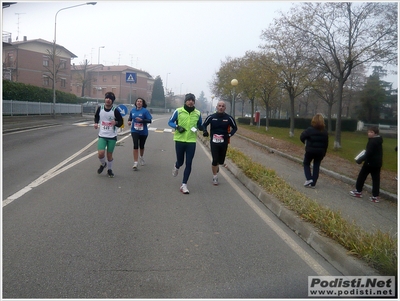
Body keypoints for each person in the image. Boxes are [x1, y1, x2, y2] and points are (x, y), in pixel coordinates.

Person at [168, 93, 203, 194]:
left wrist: (203, 129)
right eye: (189, 100)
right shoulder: (178, 111)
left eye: (192, 100)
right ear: (185, 101)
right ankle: (177, 166)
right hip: (179, 140)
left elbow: (200, 125)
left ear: (194, 102)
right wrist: (177, 127)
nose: (190, 101)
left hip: (191, 141)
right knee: (181, 161)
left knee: (189, 162)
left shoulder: (197, 113)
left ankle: (184, 184)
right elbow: (170, 122)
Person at [202, 100, 237, 185]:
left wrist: (229, 135)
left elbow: (235, 128)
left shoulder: (229, 118)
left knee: (221, 161)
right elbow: (204, 125)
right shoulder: (211, 117)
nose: (221, 107)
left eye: (222, 106)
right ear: (217, 107)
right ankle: (215, 177)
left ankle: (217, 165)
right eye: (219, 106)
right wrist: (205, 131)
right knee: (215, 159)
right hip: (214, 142)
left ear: (225, 108)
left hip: (223, 142)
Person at [94, 92, 124, 178]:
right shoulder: (100, 108)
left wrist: (116, 122)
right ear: (105, 99)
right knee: (100, 153)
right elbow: (96, 116)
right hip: (102, 135)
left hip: (112, 136)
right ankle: (103, 164)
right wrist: (96, 123)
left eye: (110, 99)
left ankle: (109, 170)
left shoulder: (115, 110)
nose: (108, 100)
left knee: (109, 155)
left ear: (112, 101)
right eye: (107, 98)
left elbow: (121, 122)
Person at [350, 126, 383, 203]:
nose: (369, 133)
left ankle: (358, 191)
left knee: (362, 176)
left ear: (375, 133)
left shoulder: (373, 142)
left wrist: (360, 159)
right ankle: (375, 196)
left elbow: (368, 153)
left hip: (370, 163)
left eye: (371, 132)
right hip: (377, 163)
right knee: (376, 179)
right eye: (369, 132)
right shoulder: (378, 140)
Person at [300, 113, 329, 188]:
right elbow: (326, 144)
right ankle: (313, 183)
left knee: (306, 163)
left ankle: (309, 178)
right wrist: (324, 153)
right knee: (316, 166)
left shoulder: (310, 130)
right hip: (320, 152)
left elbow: (302, 136)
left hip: (310, 150)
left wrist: (305, 142)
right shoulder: (325, 132)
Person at [128, 97, 152, 170]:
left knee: (141, 146)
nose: (139, 102)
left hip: (143, 131)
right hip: (134, 130)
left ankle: (141, 157)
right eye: (137, 101)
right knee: (135, 145)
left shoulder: (145, 111)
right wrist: (129, 121)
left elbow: (149, 120)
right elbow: (130, 117)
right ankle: (135, 162)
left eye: (140, 102)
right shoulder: (132, 110)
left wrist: (142, 120)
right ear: (135, 103)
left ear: (142, 103)